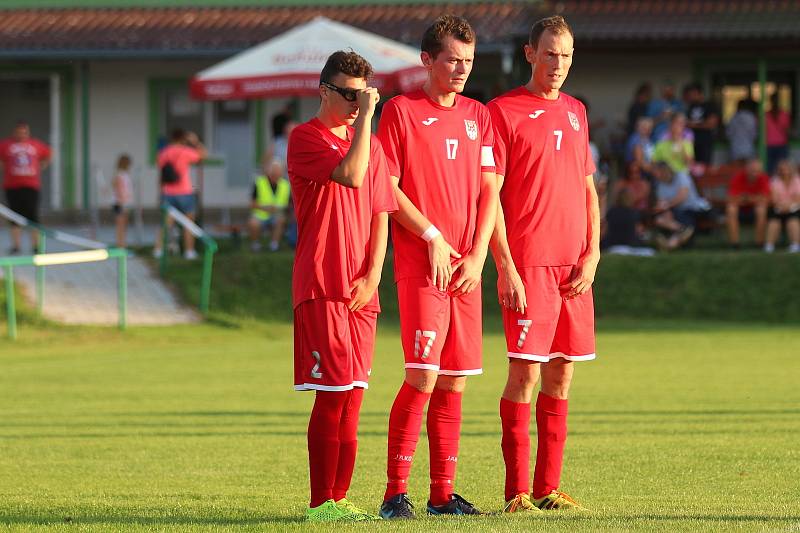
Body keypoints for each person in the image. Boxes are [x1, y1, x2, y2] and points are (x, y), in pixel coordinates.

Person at [377, 14, 498, 518]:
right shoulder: (401, 112)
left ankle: (442, 495)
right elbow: (387, 188)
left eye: (468, 61)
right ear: (427, 60)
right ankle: (393, 494)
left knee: (454, 380)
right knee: (422, 376)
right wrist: (431, 236)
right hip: (423, 265)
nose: (461, 69)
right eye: (452, 59)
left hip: (466, 269)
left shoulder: (479, 114)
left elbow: (491, 189)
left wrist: (478, 255)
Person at [487, 15, 599, 513]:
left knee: (561, 375)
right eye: (550, 54)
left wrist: (593, 252)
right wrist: (505, 265)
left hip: (574, 267)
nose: (559, 65)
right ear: (531, 54)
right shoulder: (502, 111)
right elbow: (489, 198)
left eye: (567, 55)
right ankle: (516, 494)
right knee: (525, 376)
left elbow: (588, 187)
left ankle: (549, 488)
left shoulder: (577, 111)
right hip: (529, 264)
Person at [287, 50, 397, 522]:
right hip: (322, 281)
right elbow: (352, 177)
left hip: (360, 290)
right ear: (324, 91)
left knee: (353, 395)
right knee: (331, 396)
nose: (357, 103)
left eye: (364, 94)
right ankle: (321, 503)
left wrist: (373, 275)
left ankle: (341, 498)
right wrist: (369, 117)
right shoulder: (304, 137)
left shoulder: (367, 143)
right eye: (349, 94)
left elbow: (380, 213)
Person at [153, 129, 207, 260]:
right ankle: (189, 251)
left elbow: (161, 174)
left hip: (168, 192)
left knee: (166, 223)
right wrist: (195, 142)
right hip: (185, 192)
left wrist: (159, 192)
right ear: (183, 138)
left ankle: (158, 249)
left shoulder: (163, 152)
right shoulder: (185, 151)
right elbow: (203, 156)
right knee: (188, 223)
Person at [0, 121, 51, 254]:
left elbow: (48, 153)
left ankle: (36, 246)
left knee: (33, 216)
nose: (22, 134)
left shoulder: (35, 144)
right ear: (14, 132)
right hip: (12, 186)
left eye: (24, 132)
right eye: (19, 132)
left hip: (31, 186)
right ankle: (16, 246)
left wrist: (42, 165)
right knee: (14, 216)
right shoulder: (6, 145)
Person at [652, 162, 708, 251]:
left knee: (679, 218)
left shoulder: (681, 176)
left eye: (656, 172)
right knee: (660, 220)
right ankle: (682, 230)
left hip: (691, 208)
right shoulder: (660, 184)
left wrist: (667, 206)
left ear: (663, 171)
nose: (655, 175)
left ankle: (669, 245)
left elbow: (682, 196)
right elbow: (662, 203)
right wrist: (665, 210)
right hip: (675, 210)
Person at [248, 156, 290, 252]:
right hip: (261, 214)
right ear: (269, 172)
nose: (276, 174)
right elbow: (251, 204)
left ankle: (274, 245)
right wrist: (265, 208)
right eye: (274, 171)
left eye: (278, 171)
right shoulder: (259, 182)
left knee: (281, 220)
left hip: (277, 214)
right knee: (253, 223)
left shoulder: (286, 185)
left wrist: (279, 209)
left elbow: (289, 204)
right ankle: (255, 245)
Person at [726, 158, 770, 249]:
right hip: (740, 209)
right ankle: (735, 243)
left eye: (757, 171)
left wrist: (746, 198)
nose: (755, 173)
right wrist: (753, 198)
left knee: (761, 209)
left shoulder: (763, 178)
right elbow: (731, 198)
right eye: (752, 170)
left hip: (754, 209)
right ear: (747, 169)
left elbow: (765, 199)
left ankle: (759, 243)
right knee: (731, 209)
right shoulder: (738, 177)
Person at [765, 159, 800, 253]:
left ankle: (795, 245)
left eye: (786, 169)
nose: (784, 171)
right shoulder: (774, 181)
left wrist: (789, 206)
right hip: (778, 208)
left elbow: (798, 198)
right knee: (774, 221)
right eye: (782, 169)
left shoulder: (797, 180)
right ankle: (769, 245)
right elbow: (774, 198)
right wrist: (783, 206)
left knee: (793, 221)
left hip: (794, 208)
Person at [684, 83, 719, 171]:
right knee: (693, 168)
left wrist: (694, 125)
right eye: (689, 94)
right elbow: (685, 123)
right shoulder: (691, 107)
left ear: (699, 93)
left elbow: (712, 124)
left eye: (693, 94)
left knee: (705, 167)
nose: (691, 96)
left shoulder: (709, 105)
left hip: (705, 142)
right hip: (691, 143)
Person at [766, 93, 791, 175]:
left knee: (779, 169)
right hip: (775, 144)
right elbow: (788, 131)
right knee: (775, 170)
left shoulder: (784, 114)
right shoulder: (766, 115)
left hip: (776, 144)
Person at [111, 154, 133, 248]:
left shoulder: (124, 174)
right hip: (120, 203)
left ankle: (122, 244)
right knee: (121, 226)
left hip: (124, 203)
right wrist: (123, 202)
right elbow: (119, 189)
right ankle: (120, 245)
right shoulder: (120, 175)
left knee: (123, 226)